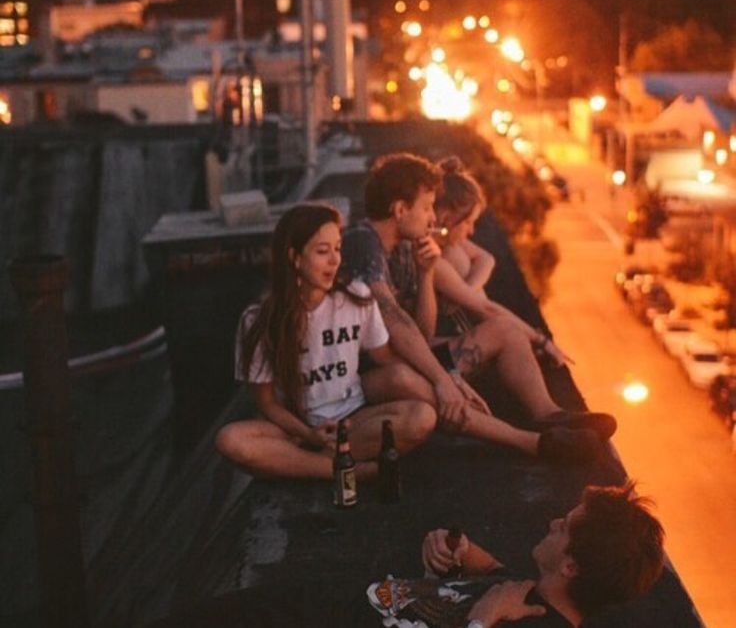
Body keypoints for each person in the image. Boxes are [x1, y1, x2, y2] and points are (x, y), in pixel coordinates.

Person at [340, 153, 615, 462]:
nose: (433, 219)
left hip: (399, 359)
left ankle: (550, 416)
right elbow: (396, 325)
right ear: (401, 210)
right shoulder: (362, 243)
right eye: (427, 207)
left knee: (506, 331)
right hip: (360, 375)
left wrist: (426, 273)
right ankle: (533, 443)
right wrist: (445, 380)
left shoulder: (406, 247)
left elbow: (421, 331)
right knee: (406, 378)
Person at [216, 203, 437, 480]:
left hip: (353, 419)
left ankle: (303, 465)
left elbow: (387, 358)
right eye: (323, 251)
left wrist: (446, 380)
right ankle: (347, 471)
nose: (335, 261)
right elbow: (267, 402)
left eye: (338, 248)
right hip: (295, 429)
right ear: (295, 258)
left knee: (421, 417)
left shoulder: (356, 297)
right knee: (230, 439)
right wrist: (307, 433)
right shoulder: (258, 320)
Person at [367, 482, 665, 628]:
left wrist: (483, 618)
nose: (553, 523)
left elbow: (494, 600)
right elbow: (494, 572)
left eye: (564, 528)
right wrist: (457, 547)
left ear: (570, 566)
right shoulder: (530, 594)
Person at [432, 156, 570, 367]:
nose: (471, 231)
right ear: (445, 218)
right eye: (468, 222)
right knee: (507, 331)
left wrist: (466, 291)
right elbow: (487, 309)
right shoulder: (435, 256)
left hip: (444, 345)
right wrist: (540, 339)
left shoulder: (446, 243)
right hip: (435, 357)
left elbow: (487, 259)